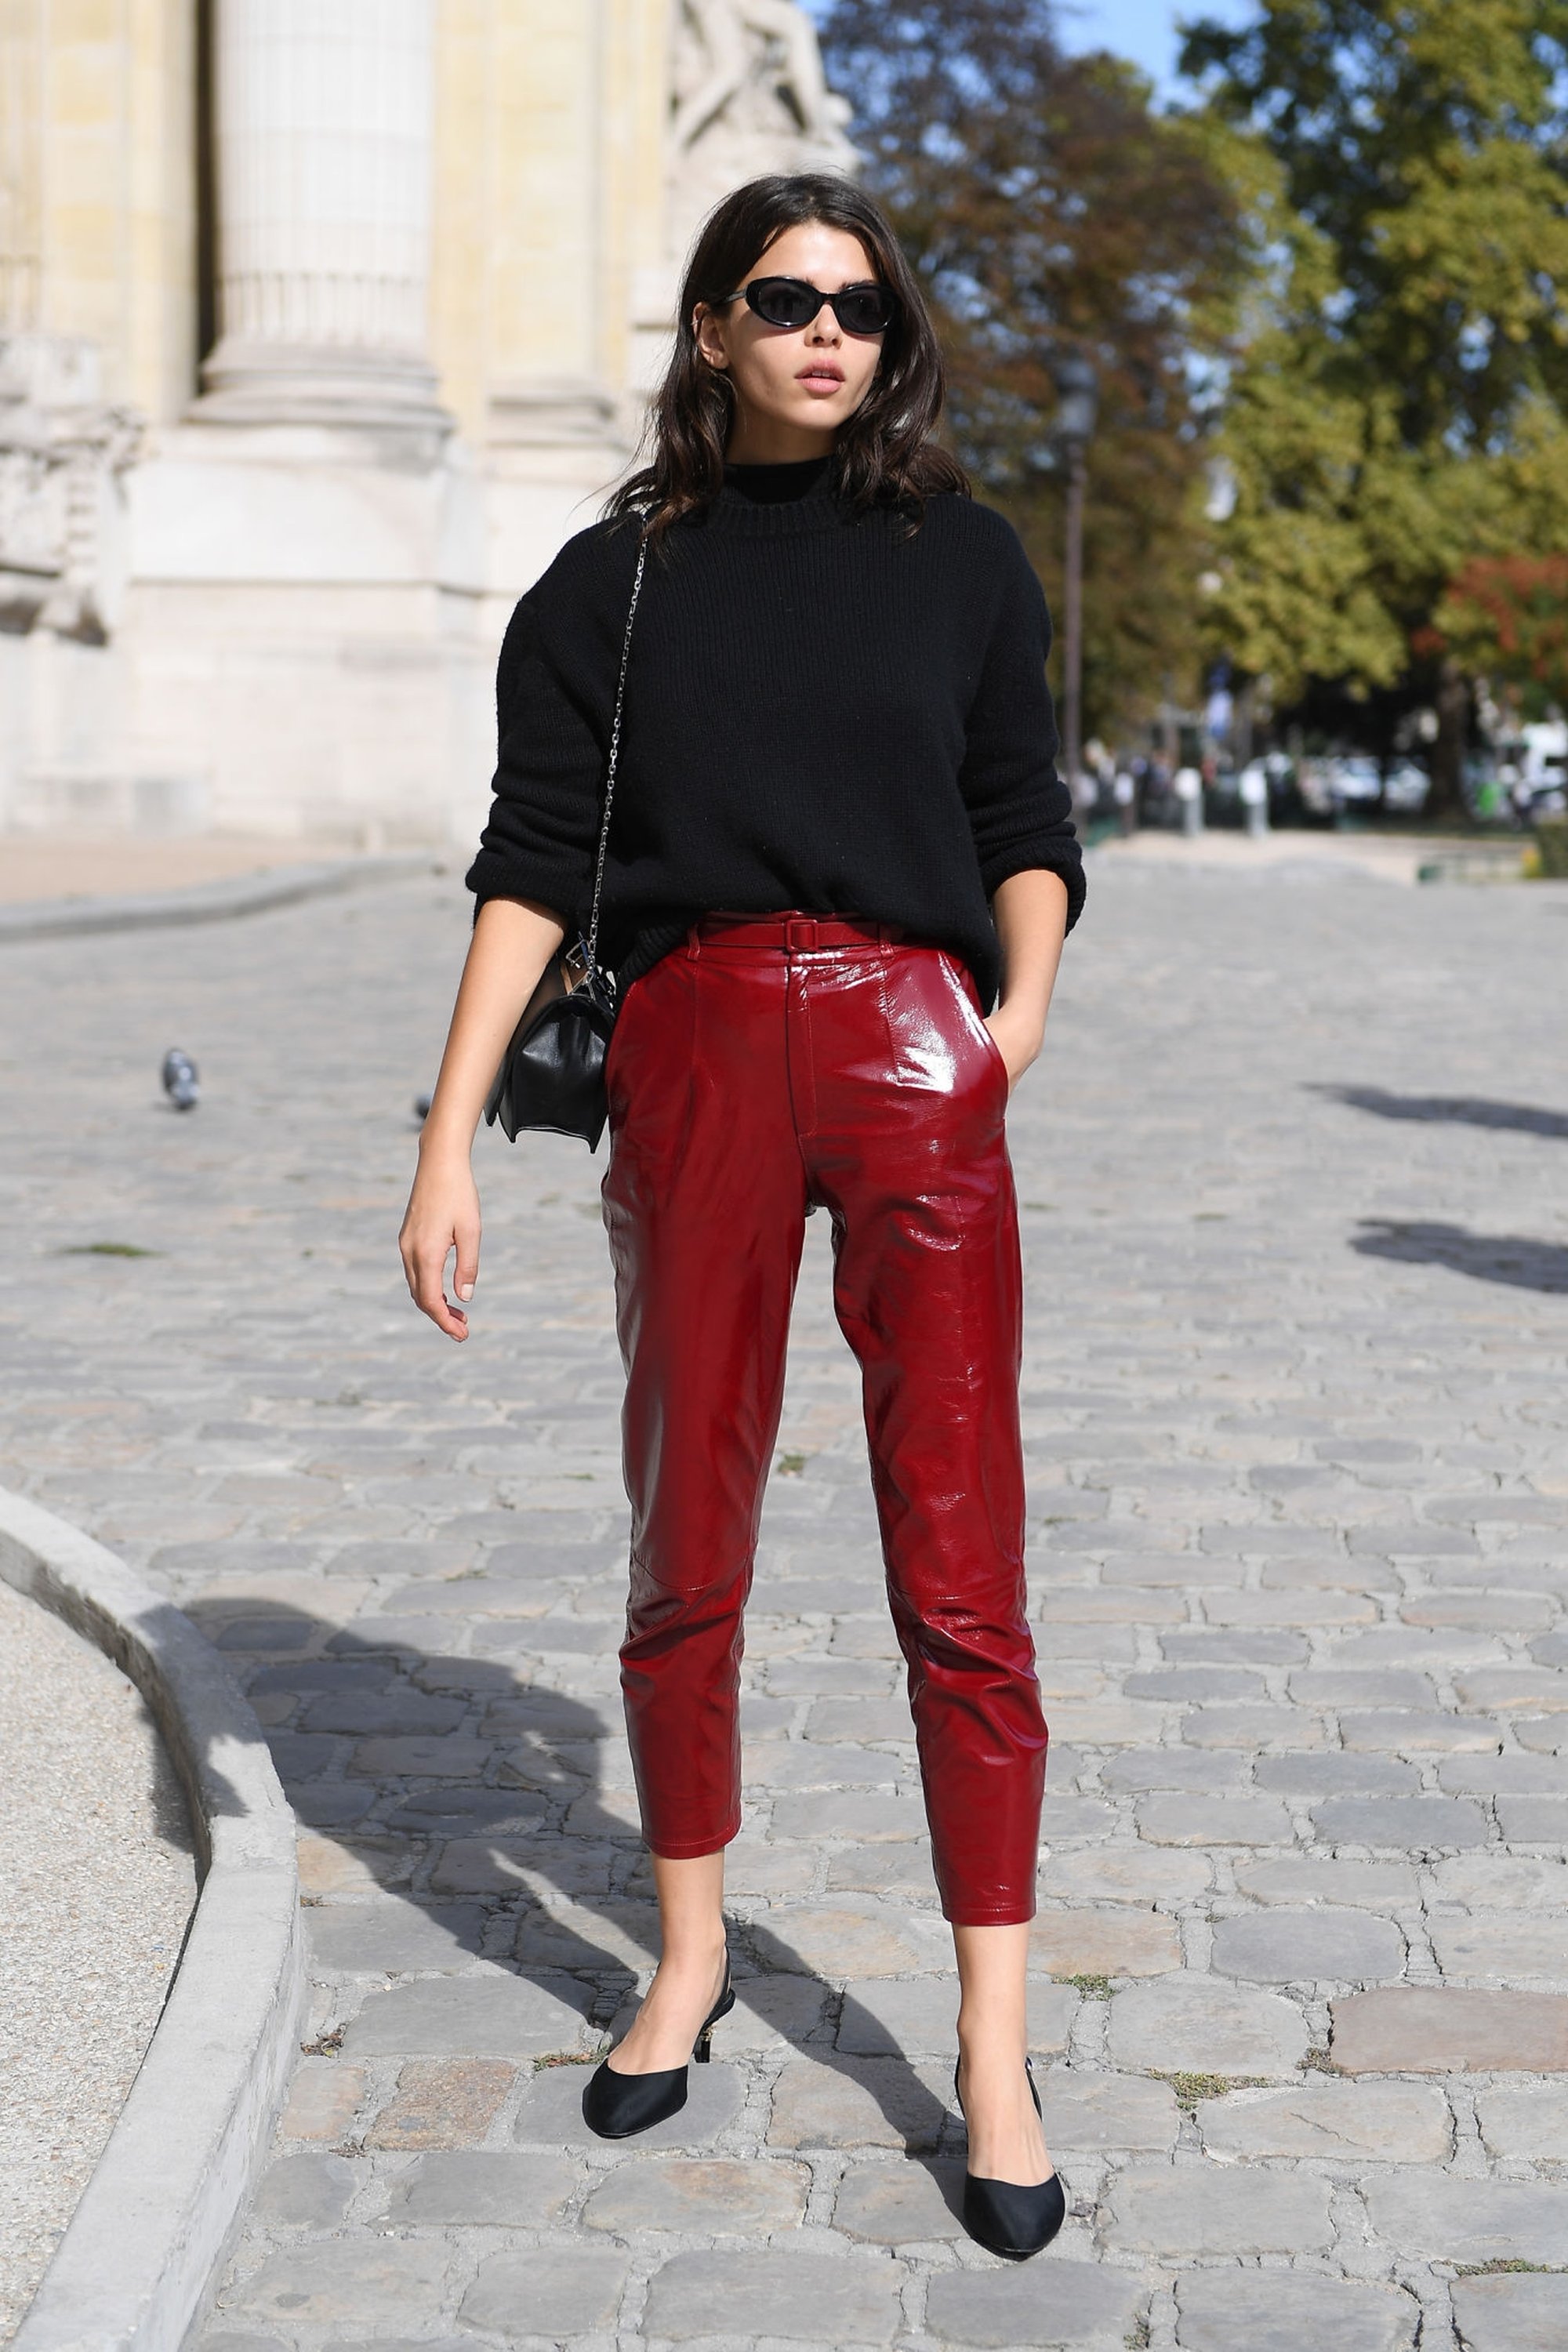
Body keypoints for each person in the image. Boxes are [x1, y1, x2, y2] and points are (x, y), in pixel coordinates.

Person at [398, 172, 1085, 2262]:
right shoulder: (609, 583)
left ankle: (989, 2050)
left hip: (911, 1052)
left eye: (859, 311)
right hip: (691, 1054)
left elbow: (1017, 816)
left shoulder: (960, 561)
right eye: (779, 300)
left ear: (893, 342)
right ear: (709, 327)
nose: (823, 335)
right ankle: (684, 1962)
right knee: (682, 1536)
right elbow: (529, 863)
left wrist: (1014, 1019)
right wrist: (443, 1138)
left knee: (961, 1562)